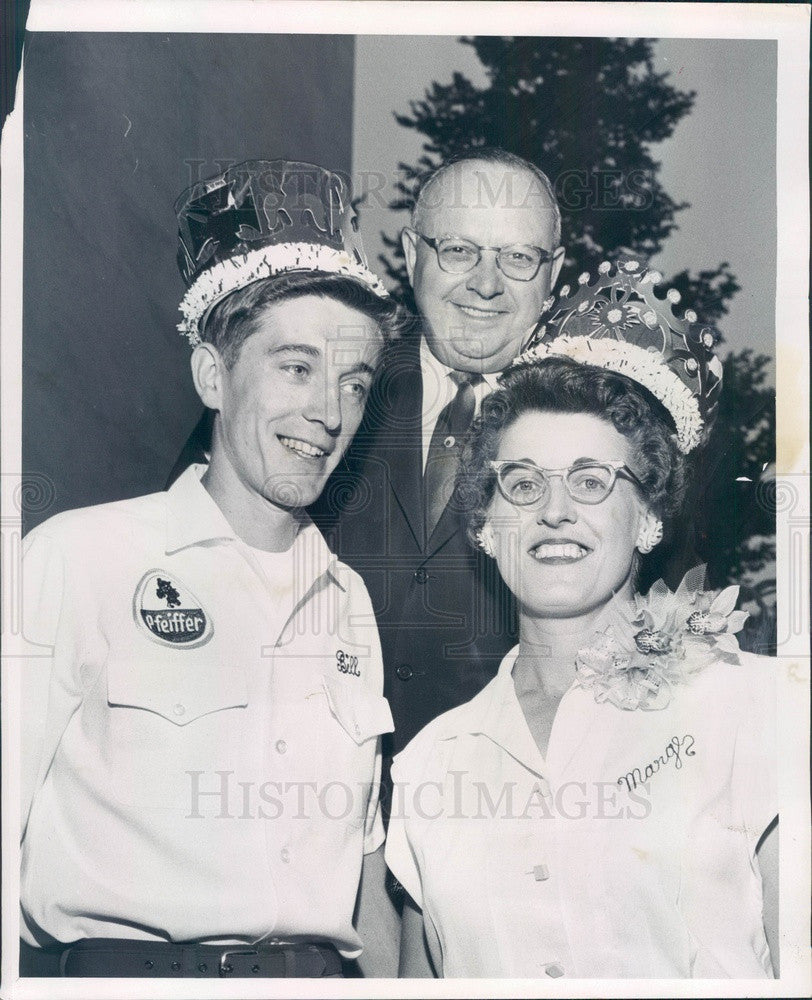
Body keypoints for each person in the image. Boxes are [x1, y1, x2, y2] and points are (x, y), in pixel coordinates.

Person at [19, 159, 402, 978]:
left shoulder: (349, 604)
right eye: (295, 368)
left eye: (354, 383)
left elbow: (364, 870)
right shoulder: (80, 559)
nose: (329, 414)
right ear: (212, 375)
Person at [385, 257, 778, 978]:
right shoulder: (430, 766)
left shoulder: (754, 708)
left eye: (593, 481)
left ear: (650, 517)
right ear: (482, 522)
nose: (554, 511)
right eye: (523, 482)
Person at [314, 148, 566, 765]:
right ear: (410, 253)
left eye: (518, 258)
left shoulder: (593, 426)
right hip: (309, 798)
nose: (486, 283)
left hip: (499, 811)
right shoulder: (322, 375)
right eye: (458, 250)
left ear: (552, 275)